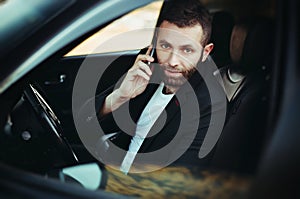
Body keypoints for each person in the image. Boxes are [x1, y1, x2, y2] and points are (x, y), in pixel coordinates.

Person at [78, 0, 226, 173]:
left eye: (187, 50)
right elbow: (83, 123)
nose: (172, 61)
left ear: (204, 52)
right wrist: (119, 96)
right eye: (165, 46)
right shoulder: (148, 73)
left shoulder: (210, 105)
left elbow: (175, 181)